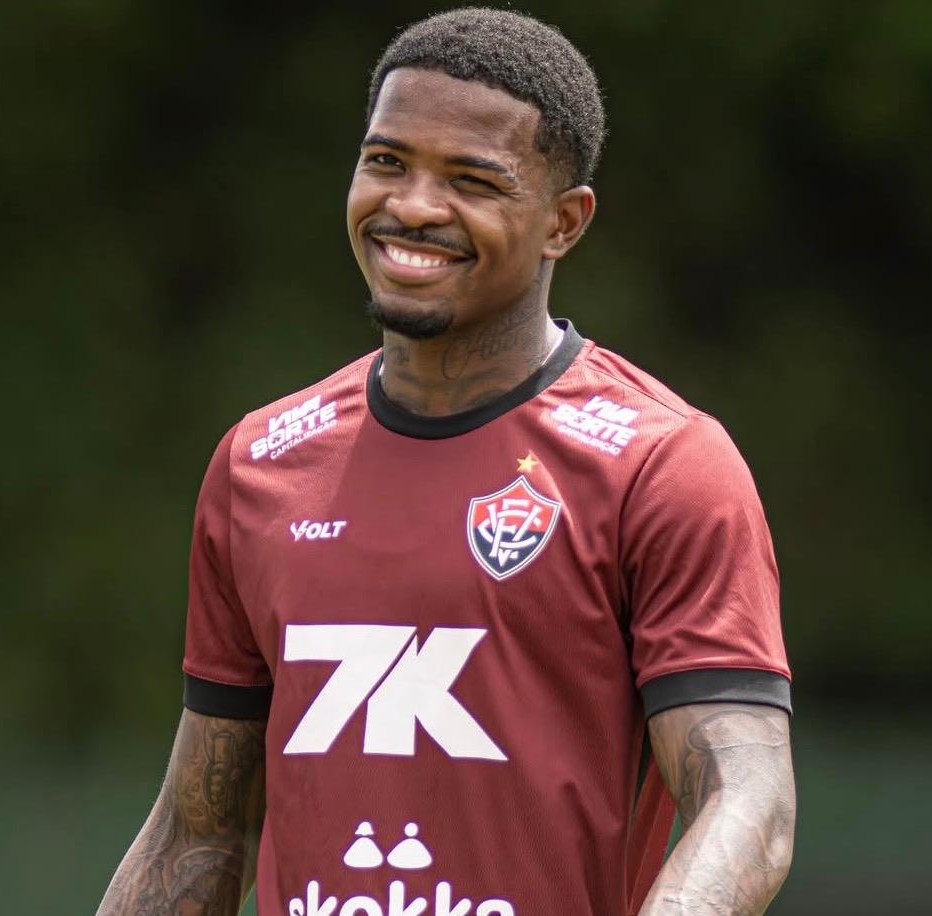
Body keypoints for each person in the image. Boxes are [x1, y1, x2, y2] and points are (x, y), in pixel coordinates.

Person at [97, 8, 795, 916]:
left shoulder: (661, 466)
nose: (414, 207)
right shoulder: (261, 464)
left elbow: (747, 804)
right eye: (387, 162)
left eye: (471, 180)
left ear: (564, 222)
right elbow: (201, 831)